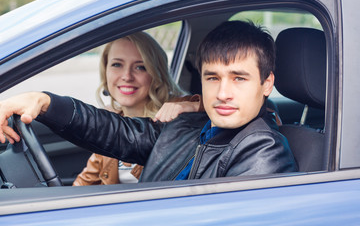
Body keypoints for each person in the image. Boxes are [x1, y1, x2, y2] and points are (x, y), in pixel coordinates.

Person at [0, 20, 298, 182]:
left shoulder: (263, 152)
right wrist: (44, 101)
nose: (222, 93)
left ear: (267, 83)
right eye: (212, 77)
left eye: (239, 78)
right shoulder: (188, 127)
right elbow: (117, 131)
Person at [73, 32, 201, 185]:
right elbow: (84, 184)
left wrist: (193, 105)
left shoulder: (177, 110)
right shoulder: (110, 121)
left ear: (156, 73)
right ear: (105, 70)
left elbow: (220, 106)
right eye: (117, 64)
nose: (127, 76)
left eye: (140, 67)